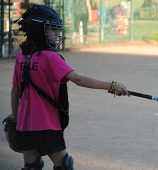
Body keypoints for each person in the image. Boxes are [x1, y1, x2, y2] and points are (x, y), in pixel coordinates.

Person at [11, 4, 128, 170]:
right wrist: (112, 86)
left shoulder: (21, 56)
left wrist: (16, 120)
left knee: (31, 165)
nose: (57, 33)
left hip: (24, 124)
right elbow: (79, 79)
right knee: (64, 164)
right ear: (38, 30)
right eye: (52, 29)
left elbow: (15, 91)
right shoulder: (50, 57)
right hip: (45, 124)